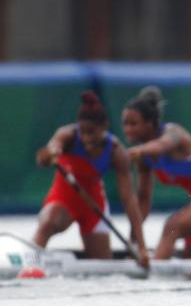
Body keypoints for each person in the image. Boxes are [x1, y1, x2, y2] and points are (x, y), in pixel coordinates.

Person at [33, 91, 150, 268]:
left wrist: (141, 247)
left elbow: (129, 201)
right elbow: (46, 154)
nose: (86, 138)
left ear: (105, 127)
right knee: (48, 222)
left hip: (93, 206)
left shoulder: (117, 153)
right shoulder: (68, 136)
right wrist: (49, 154)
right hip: (64, 200)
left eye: (92, 132)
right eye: (83, 132)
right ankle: (30, 261)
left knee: (104, 268)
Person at [121, 86, 191, 260]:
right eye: (125, 124)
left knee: (171, 227)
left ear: (150, 123)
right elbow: (143, 201)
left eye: (133, 124)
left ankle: (153, 279)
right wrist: (134, 242)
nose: (127, 129)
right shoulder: (144, 157)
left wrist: (136, 152)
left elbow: (161, 146)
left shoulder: (175, 134)